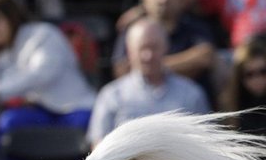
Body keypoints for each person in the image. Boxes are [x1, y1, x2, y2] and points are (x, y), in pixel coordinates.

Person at [0, 0, 95, 160]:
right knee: (8, 123)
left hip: (73, 109)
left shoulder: (43, 34)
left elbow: (42, 73)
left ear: (10, 16)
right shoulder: (0, 58)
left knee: (88, 125)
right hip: (41, 114)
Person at [87, 19, 209, 148]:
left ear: (166, 48)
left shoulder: (191, 93)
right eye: (142, 48)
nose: (148, 56)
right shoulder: (111, 95)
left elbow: (205, 143)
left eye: (154, 47)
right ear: (130, 51)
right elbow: (98, 145)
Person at [110, 0, 215, 91]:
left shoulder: (196, 27)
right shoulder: (133, 30)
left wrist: (150, 67)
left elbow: (204, 57)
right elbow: (121, 70)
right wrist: (184, 64)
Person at [219, 35, 266, 138]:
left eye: (263, 72)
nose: (257, 79)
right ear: (239, 76)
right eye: (249, 74)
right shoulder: (230, 106)